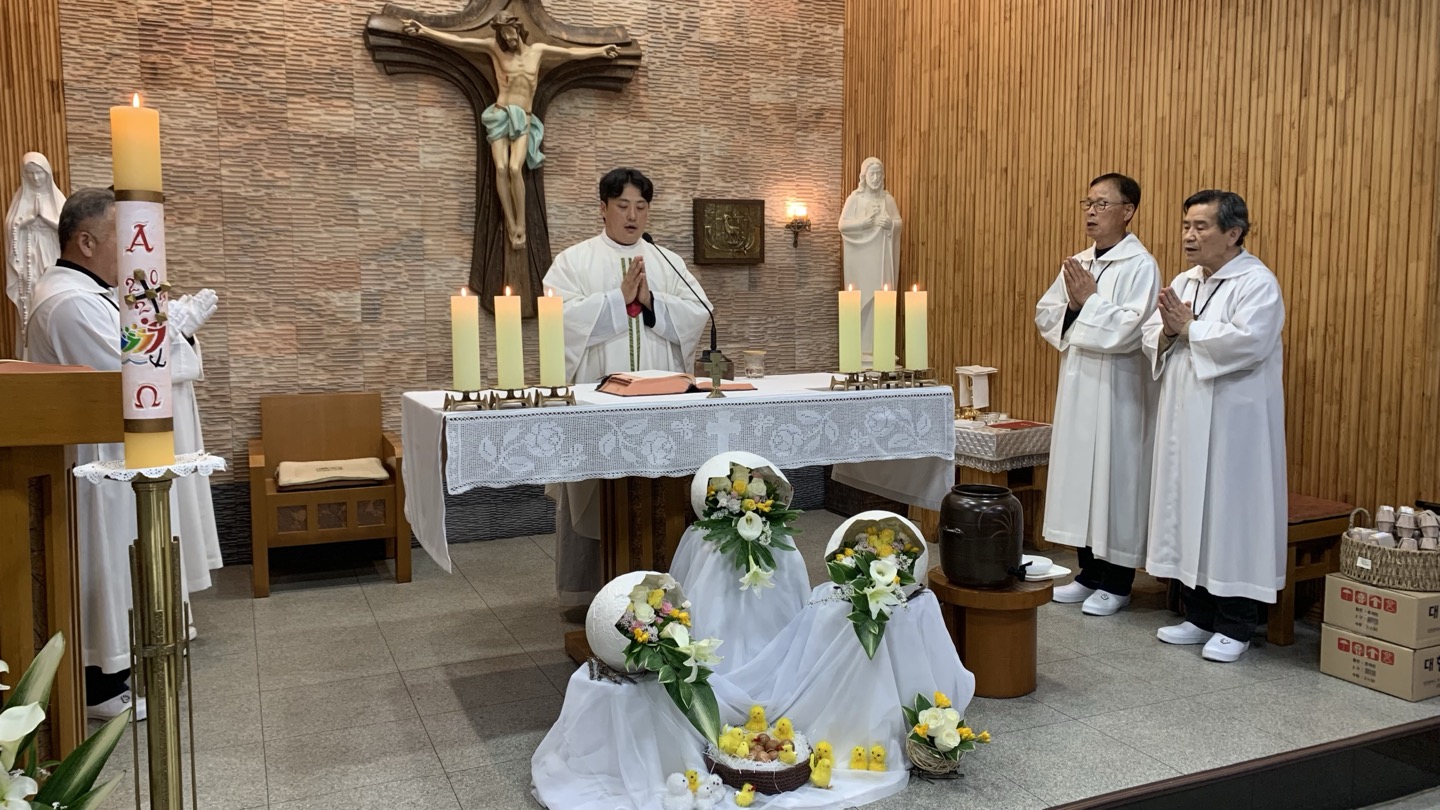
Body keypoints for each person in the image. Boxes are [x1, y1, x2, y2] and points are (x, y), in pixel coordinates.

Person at [26, 188, 207, 718]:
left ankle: (117, 666)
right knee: (104, 558)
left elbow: (136, 352)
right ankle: (99, 684)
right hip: (96, 455)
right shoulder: (70, 302)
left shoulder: (90, 293)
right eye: (122, 240)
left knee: (121, 559)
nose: (132, 253)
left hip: (115, 451)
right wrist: (175, 330)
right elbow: (127, 372)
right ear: (85, 242)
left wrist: (168, 329)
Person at [541, 168, 712, 617]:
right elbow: (558, 320)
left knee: (662, 491)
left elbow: (700, 311)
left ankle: (664, 592)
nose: (632, 215)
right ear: (603, 208)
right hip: (601, 404)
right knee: (593, 492)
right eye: (622, 206)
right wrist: (617, 300)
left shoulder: (666, 261)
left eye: (640, 206)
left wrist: (652, 302)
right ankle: (588, 597)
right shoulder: (573, 262)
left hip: (661, 404)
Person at [1142, 190, 1286, 663]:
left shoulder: (1257, 283)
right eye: (1186, 225)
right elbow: (1153, 334)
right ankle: (1199, 614)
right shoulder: (1185, 280)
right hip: (1186, 417)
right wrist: (1168, 330)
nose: (1189, 235)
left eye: (1201, 227)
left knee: (1230, 515)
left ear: (1233, 233)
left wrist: (1189, 328)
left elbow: (1250, 342)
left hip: (1233, 424)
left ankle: (1236, 624)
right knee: (1187, 508)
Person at [1035, 173, 1159, 617]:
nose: (1091, 211)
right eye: (1087, 203)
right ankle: (1088, 573)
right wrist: (1073, 305)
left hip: (1117, 392)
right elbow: (1047, 314)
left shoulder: (1140, 266)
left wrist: (1088, 302)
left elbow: (1131, 329)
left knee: (1115, 481)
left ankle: (1118, 582)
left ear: (1128, 211)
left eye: (1102, 204)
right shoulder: (1080, 262)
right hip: (1079, 385)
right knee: (1081, 480)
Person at [402, 11, 619, 249]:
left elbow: (568, 53)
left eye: (510, 32)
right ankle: (510, 222)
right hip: (500, 114)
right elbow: (461, 41)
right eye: (504, 35)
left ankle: (521, 224)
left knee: (516, 168)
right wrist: (425, 31)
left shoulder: (538, 51)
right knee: (501, 167)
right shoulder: (495, 50)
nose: (508, 38)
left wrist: (600, 51)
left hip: (523, 118)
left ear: (518, 29)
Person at [837, 157, 902, 363]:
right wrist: (863, 224)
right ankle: (861, 349)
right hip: (860, 259)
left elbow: (898, 222)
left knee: (881, 298)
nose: (875, 178)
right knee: (861, 300)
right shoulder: (855, 199)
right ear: (864, 176)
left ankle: (880, 348)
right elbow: (842, 225)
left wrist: (891, 224)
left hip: (881, 257)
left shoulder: (887, 200)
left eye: (879, 174)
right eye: (872, 174)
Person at [4, 152, 66, 357]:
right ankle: (29, 353)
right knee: (30, 298)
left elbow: (67, 229)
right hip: (29, 257)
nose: (35, 178)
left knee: (52, 294)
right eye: (30, 173)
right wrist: (27, 221)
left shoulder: (57, 200)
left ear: (47, 173)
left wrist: (46, 220)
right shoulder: (21, 199)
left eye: (39, 173)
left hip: (51, 254)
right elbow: (11, 226)